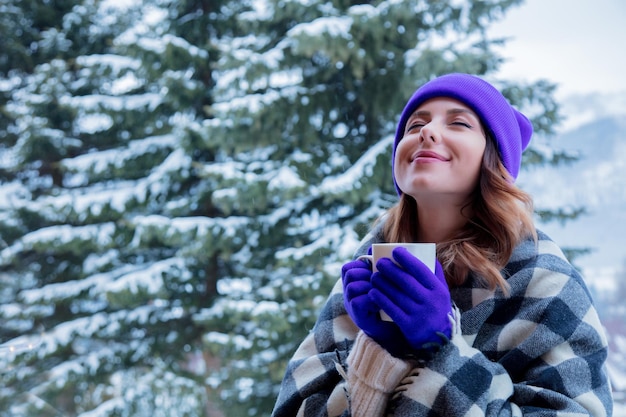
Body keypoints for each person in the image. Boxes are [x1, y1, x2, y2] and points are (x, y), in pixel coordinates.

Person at [271, 73, 613, 416]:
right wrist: (378, 354)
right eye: (415, 124)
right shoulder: (370, 269)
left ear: (493, 157)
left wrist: (441, 349)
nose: (427, 131)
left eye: (459, 123)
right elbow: (294, 408)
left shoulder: (545, 283)